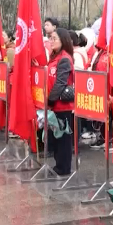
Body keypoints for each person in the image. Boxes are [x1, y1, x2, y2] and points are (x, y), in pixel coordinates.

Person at [46, 28, 76, 176]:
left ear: (63, 41)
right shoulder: (54, 56)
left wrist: (50, 101)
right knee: (57, 136)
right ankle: (59, 164)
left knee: (63, 138)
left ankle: (64, 167)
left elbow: (60, 83)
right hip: (55, 105)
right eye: (50, 38)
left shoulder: (64, 59)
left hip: (62, 105)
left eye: (54, 39)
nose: (51, 41)